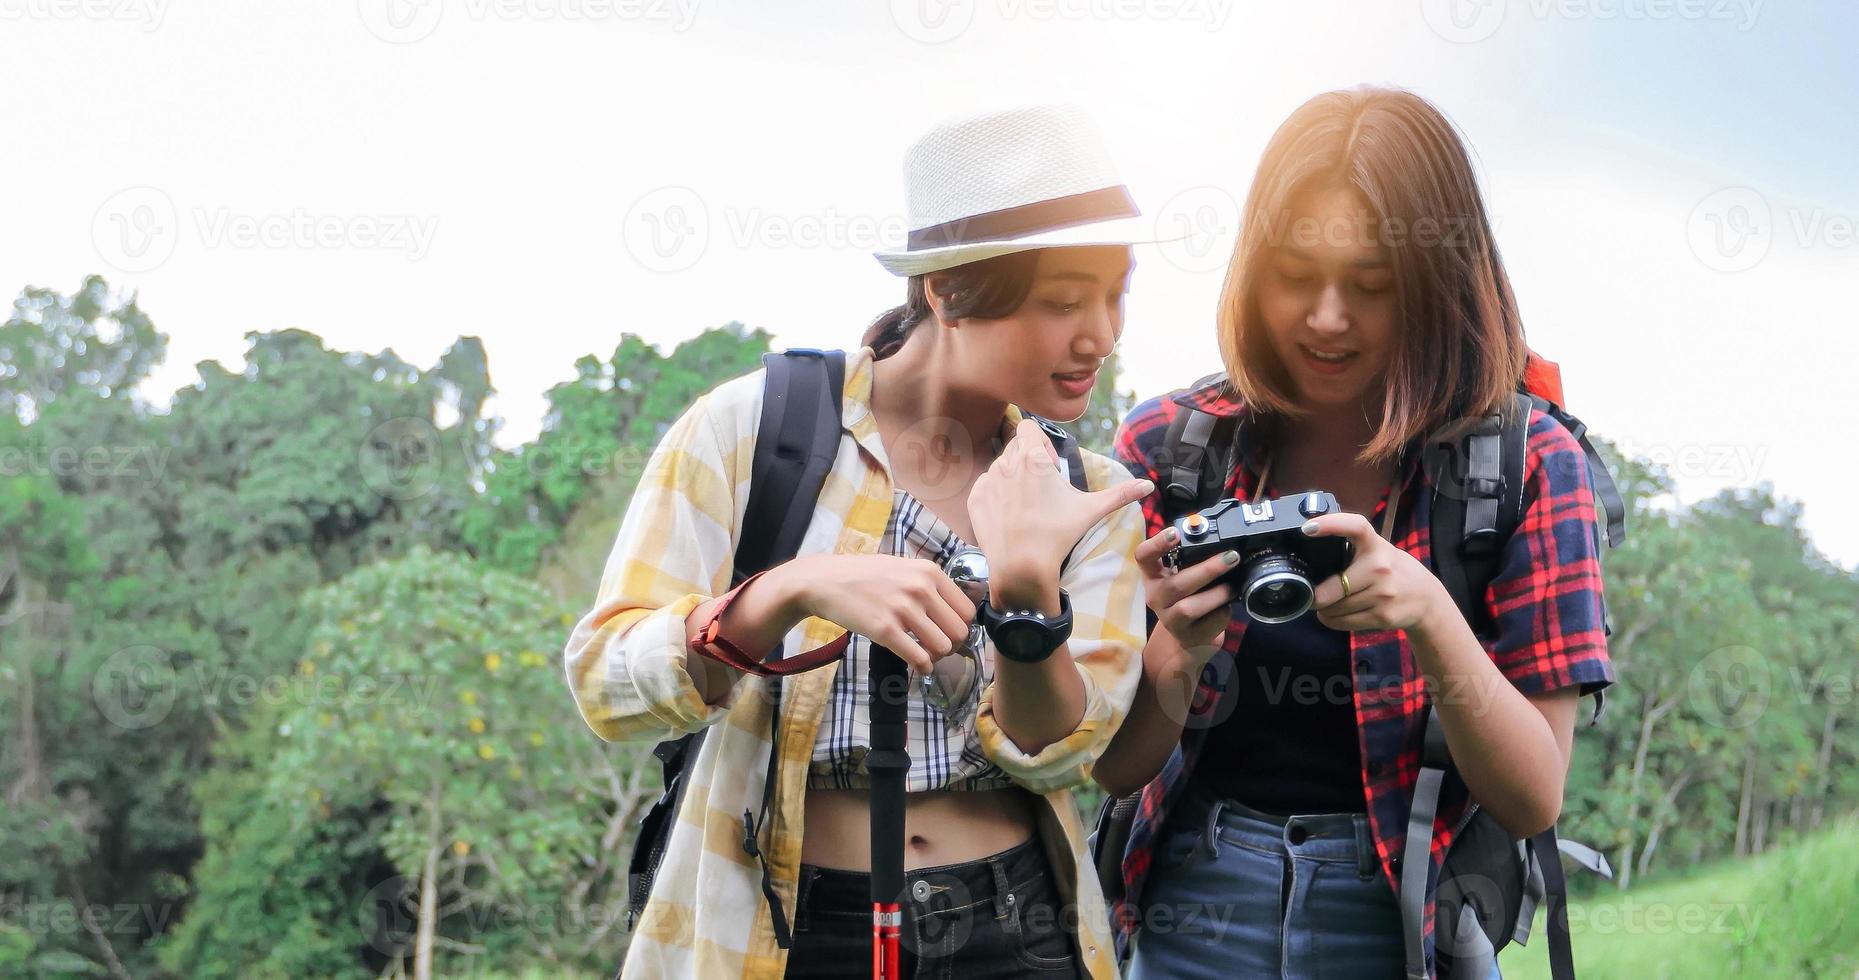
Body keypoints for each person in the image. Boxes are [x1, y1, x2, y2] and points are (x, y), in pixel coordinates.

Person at [564, 104, 1161, 979]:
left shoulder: (1091, 496)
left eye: (1116, 297)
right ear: (947, 290)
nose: (1100, 337)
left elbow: (1064, 754)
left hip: (1015, 925)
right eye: (1064, 302)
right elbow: (606, 684)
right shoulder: (752, 431)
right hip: (785, 918)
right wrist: (783, 591)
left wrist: (1030, 588)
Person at [1092, 86, 1616, 979]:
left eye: (1371, 287)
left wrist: (1429, 619)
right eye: (1295, 278)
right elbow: (1114, 769)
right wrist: (1172, 655)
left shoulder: (1524, 467)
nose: (1326, 319)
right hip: (1194, 904)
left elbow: (1532, 797)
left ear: (1438, 286)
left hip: (1406, 920)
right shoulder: (1173, 451)